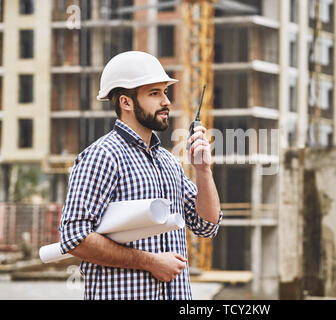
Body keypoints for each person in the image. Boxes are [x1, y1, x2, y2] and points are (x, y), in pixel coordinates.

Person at [58, 51, 222, 300]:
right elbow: (74, 237)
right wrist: (150, 262)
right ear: (126, 102)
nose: (166, 102)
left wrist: (203, 172)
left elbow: (207, 225)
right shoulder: (102, 156)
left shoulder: (169, 162)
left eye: (164, 92)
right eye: (154, 94)